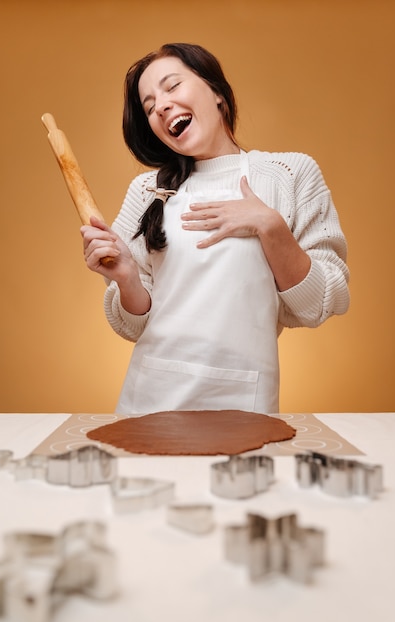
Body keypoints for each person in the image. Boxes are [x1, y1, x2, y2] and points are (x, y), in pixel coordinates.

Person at [81, 42, 350, 417]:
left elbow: (322, 303)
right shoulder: (146, 191)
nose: (161, 106)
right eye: (149, 106)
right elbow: (134, 325)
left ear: (218, 93)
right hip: (148, 401)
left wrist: (270, 226)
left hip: (244, 403)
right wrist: (126, 279)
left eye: (172, 86)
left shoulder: (289, 174)